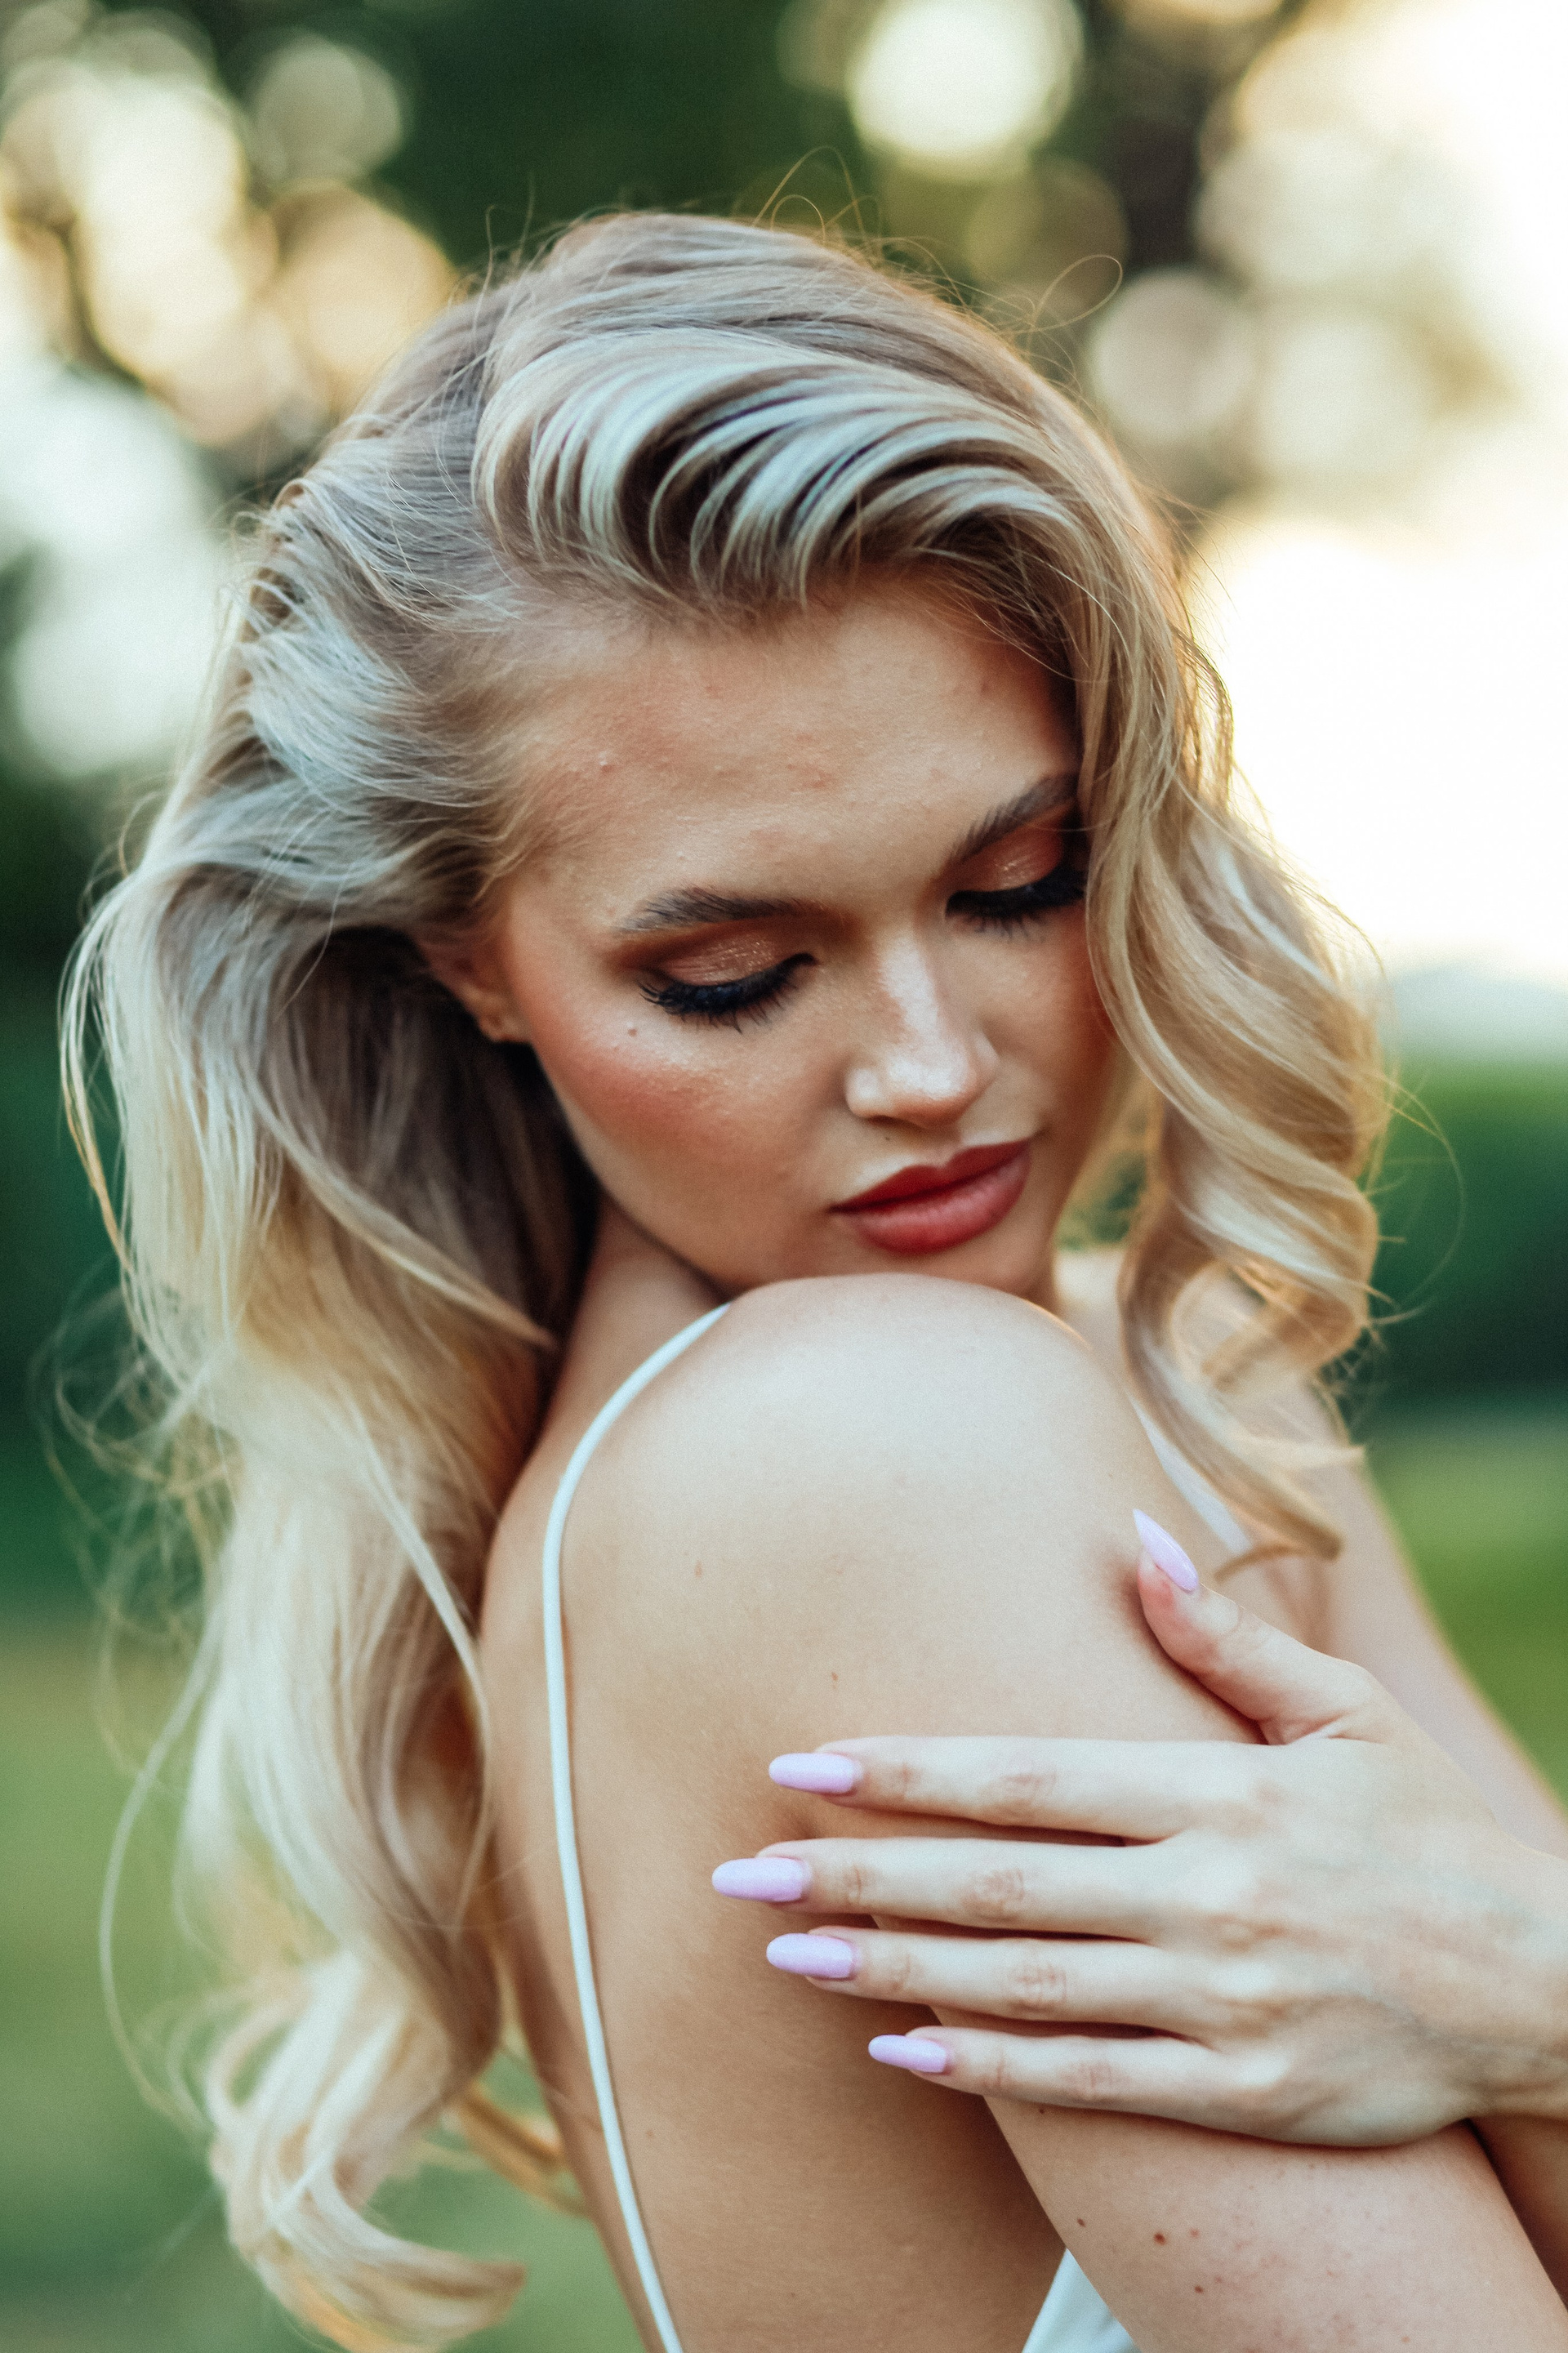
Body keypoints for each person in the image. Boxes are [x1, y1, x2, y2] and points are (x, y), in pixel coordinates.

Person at [62, 212, 1568, 2353]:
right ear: (468, 960)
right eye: (735, 972)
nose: (933, 1068)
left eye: (1018, 880)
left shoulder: (1174, 1366)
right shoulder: (873, 1449)